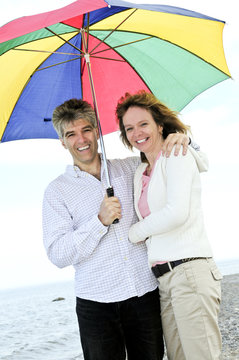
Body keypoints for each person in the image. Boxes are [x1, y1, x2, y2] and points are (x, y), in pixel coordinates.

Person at [42, 98, 205, 360]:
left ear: (97, 131)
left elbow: (164, 154)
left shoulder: (131, 167)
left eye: (86, 130)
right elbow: (58, 254)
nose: (80, 139)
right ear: (62, 142)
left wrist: (183, 139)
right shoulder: (57, 192)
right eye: (71, 134)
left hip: (144, 295)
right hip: (96, 304)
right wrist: (99, 222)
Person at [116, 90, 222, 360]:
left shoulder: (176, 154)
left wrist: (135, 233)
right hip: (164, 280)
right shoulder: (141, 172)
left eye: (143, 124)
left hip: (190, 271)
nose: (137, 132)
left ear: (160, 125)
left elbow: (177, 212)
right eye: (129, 128)